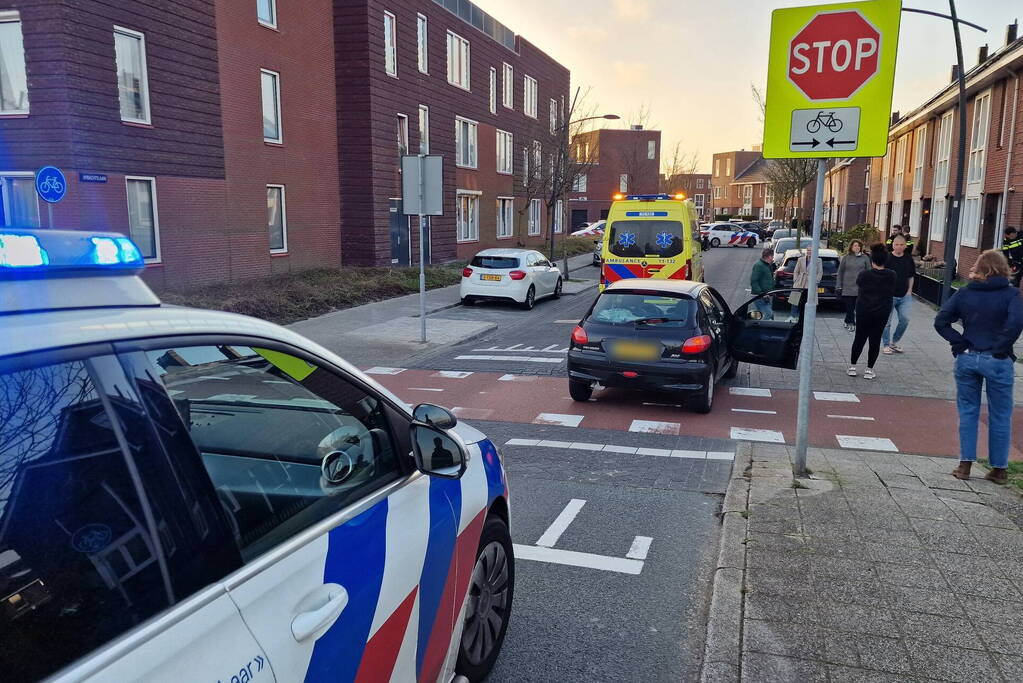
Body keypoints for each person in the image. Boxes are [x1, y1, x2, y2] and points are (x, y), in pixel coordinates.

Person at [934, 250, 1023, 484]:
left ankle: (965, 466)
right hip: (998, 360)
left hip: (968, 356)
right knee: (1000, 414)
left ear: (980, 269)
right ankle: (999, 469)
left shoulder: (965, 293)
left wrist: (958, 342)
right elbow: (1016, 322)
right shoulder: (1011, 294)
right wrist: (1001, 346)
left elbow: (941, 320)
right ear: (1003, 269)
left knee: (968, 411)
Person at [848, 244, 896, 379]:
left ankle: (852, 367)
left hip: (864, 311)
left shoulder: (864, 274)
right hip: (881, 312)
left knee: (859, 338)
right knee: (875, 340)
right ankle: (869, 370)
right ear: (885, 260)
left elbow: (859, 285)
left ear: (872, 260)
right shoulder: (892, 275)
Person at [881, 234, 915, 354]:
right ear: (893, 245)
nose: (899, 247)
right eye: (896, 244)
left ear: (905, 246)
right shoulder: (887, 258)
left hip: (904, 295)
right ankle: (886, 344)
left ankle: (894, 342)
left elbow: (911, 276)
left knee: (905, 319)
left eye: (901, 245)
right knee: (886, 322)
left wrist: (909, 291)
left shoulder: (908, 258)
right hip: (889, 295)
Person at [836, 239, 870, 331]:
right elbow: (840, 272)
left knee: (857, 308)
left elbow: (869, 271)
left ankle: (847, 320)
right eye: (855, 245)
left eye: (859, 246)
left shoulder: (865, 258)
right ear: (851, 247)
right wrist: (838, 285)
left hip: (860, 288)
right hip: (847, 287)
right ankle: (852, 323)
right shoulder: (846, 257)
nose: (857, 247)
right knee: (849, 307)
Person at [789, 247, 822, 312]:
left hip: (811, 284)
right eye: (808, 250)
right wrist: (795, 279)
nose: (809, 252)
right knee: (794, 301)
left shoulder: (818, 260)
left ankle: (806, 318)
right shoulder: (800, 259)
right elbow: (796, 271)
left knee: (808, 301)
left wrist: (816, 281)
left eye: (811, 250)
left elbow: (820, 272)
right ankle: (793, 317)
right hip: (799, 282)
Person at [750, 247, 775, 320]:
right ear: (769, 256)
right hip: (760, 296)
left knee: (765, 315)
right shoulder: (759, 266)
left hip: (767, 296)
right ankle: (760, 329)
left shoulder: (767, 265)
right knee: (768, 314)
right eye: (772, 256)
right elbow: (754, 281)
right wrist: (761, 293)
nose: (773, 257)